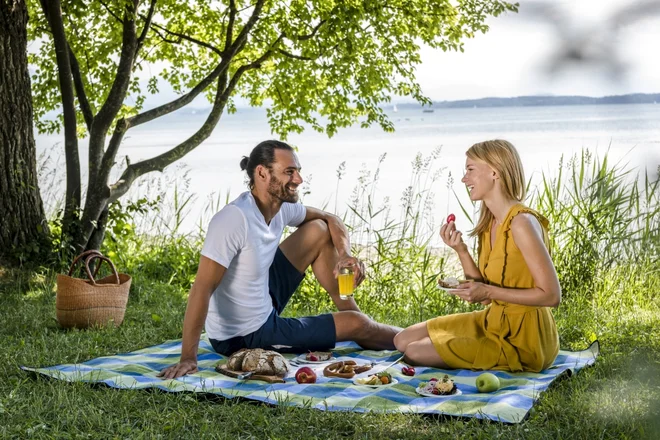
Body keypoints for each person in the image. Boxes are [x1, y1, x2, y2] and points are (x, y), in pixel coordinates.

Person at [159, 140, 401, 379]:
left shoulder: (281, 207)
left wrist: (345, 254)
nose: (298, 179)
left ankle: (356, 318)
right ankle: (400, 336)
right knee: (358, 324)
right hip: (245, 335)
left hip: (263, 295)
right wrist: (188, 358)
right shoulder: (234, 219)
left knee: (317, 228)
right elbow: (202, 287)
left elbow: (331, 218)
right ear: (262, 173)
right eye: (289, 172)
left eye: (297, 171)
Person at [393, 139, 561, 373]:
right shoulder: (489, 222)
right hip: (492, 320)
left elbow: (552, 296)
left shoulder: (521, 223)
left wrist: (488, 292)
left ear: (494, 172)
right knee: (402, 340)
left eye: (470, 170)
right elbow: (484, 297)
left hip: (525, 339)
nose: (464, 179)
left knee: (414, 351)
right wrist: (461, 250)